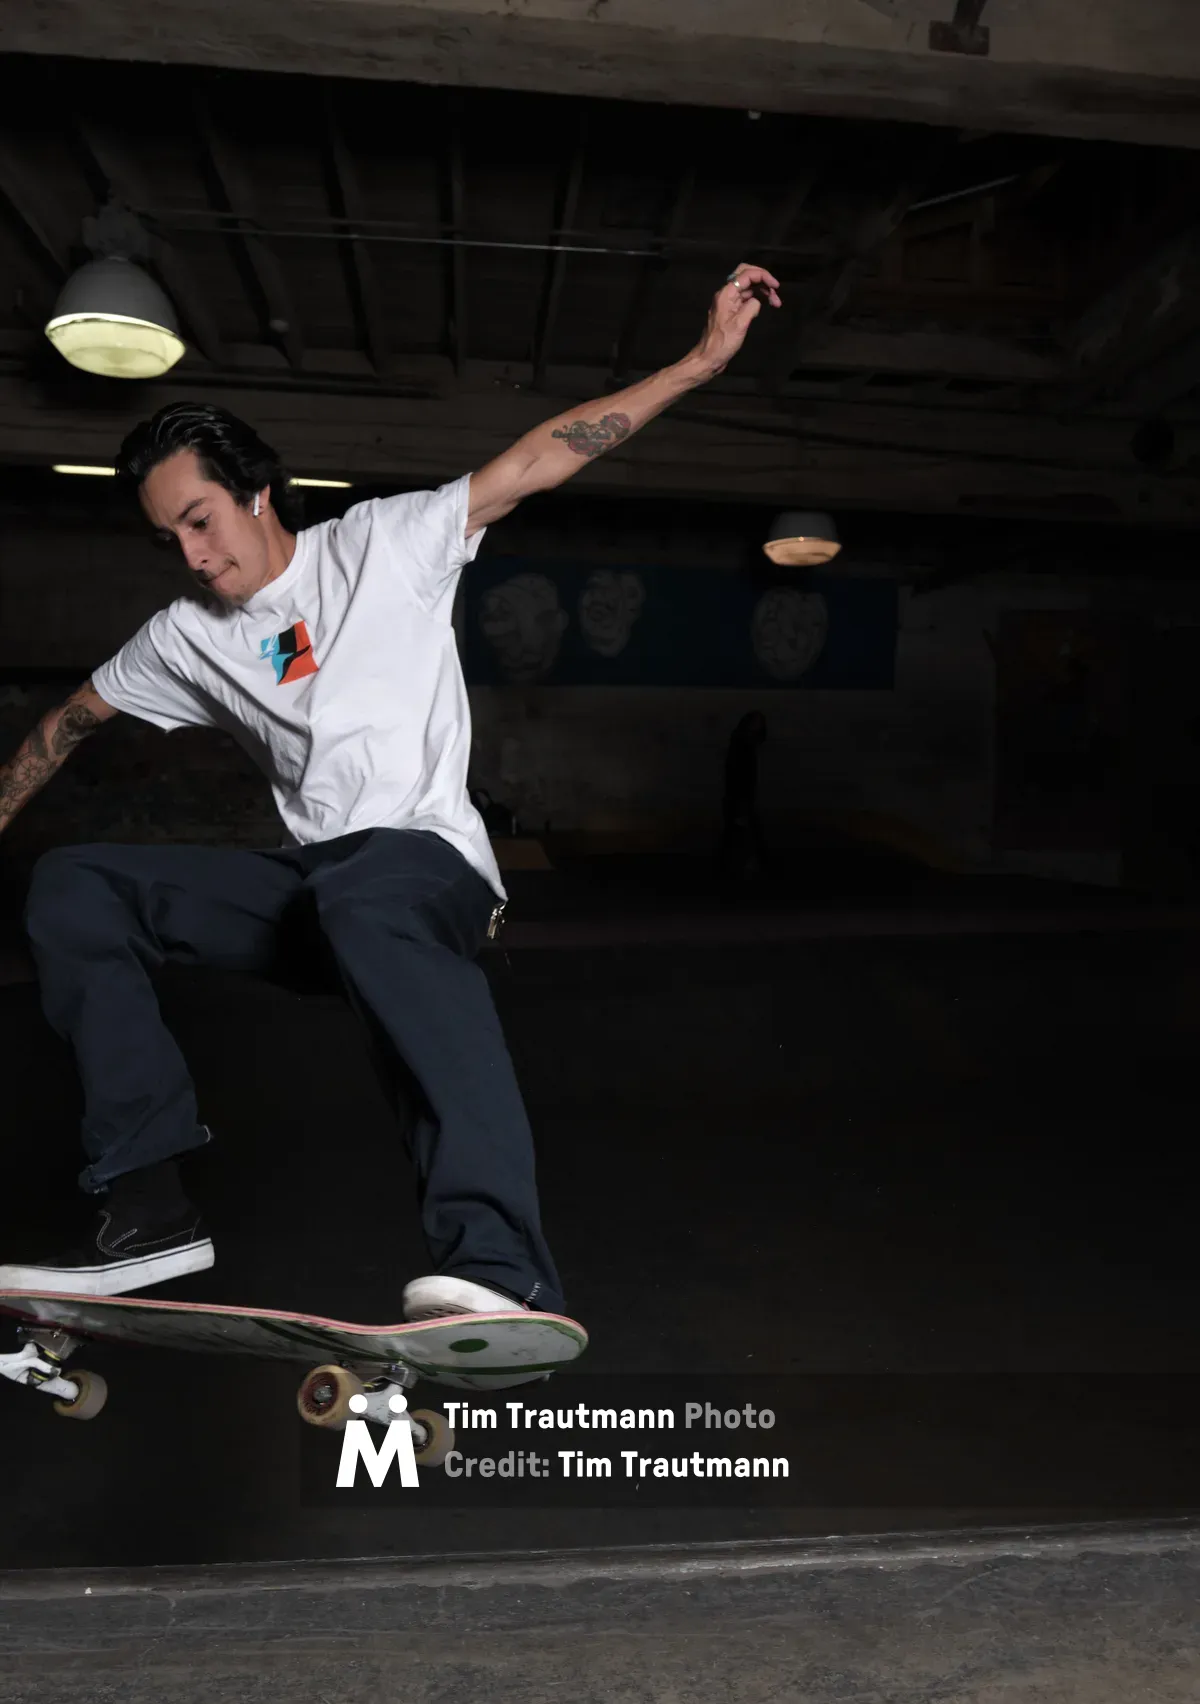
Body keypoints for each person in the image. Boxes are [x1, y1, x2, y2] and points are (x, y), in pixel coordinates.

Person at [0, 262, 781, 1318]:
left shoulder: (384, 543)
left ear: (256, 492)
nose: (192, 556)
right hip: (312, 890)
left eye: (201, 520)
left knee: (367, 888)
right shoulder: (182, 637)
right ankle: (147, 1212)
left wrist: (697, 364)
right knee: (74, 885)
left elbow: (540, 457)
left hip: (428, 870)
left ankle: (498, 1266)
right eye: (169, 539)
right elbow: (69, 722)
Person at [719, 710, 769, 882]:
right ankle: (740, 869)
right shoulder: (743, 746)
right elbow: (738, 775)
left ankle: (736, 869)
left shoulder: (742, 744)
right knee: (743, 834)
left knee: (737, 834)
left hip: (739, 798)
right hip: (740, 798)